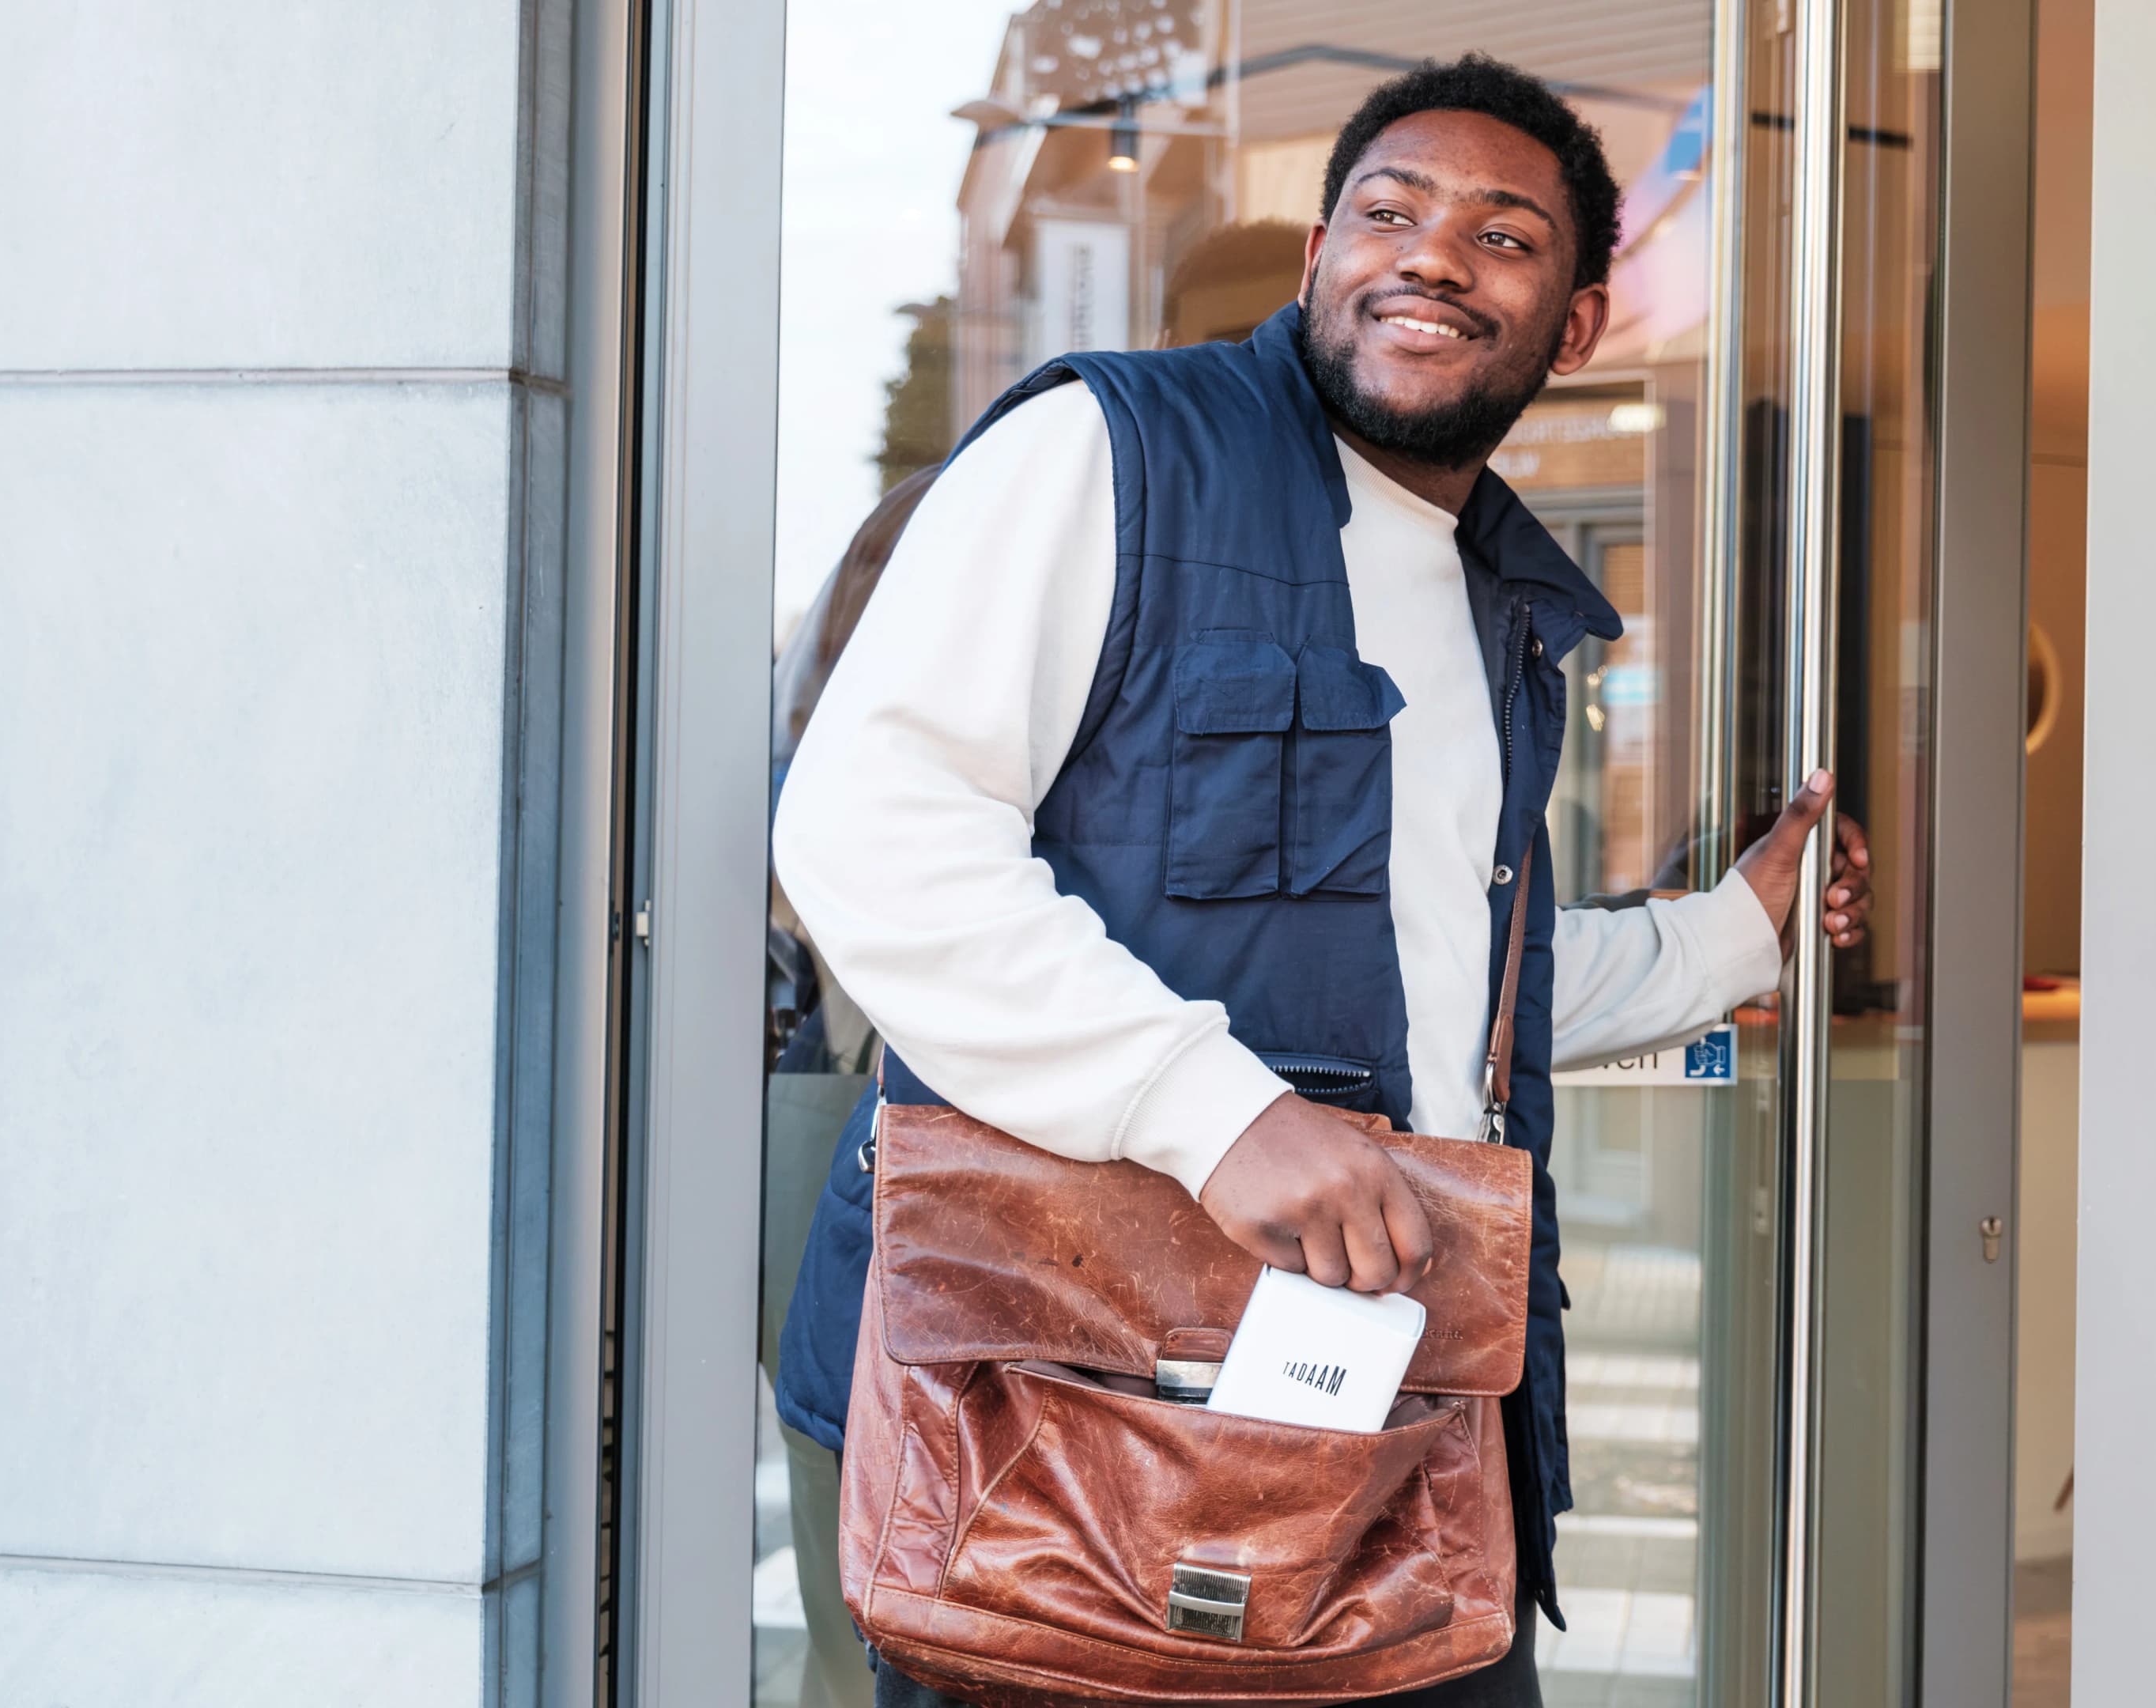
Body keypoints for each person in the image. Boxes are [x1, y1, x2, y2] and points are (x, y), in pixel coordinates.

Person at [771, 55, 1868, 1706]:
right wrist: (1214, 1110)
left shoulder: (1499, 603)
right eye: (1390, 209)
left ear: (1574, 325)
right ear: (1317, 262)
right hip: (1053, 1417)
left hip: (1378, 1414)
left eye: (1505, 235)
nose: (1433, 254)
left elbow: (1439, 977)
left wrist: (1739, 929)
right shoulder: (1108, 453)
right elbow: (868, 828)